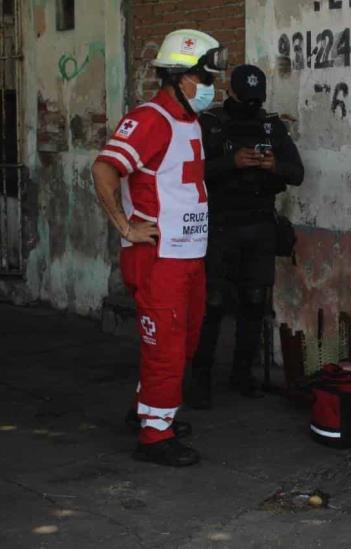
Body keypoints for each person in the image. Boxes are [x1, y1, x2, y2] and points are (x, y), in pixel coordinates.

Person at [93, 29, 227, 466]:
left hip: (188, 257)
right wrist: (126, 227)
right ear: (179, 77)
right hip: (159, 259)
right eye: (204, 79)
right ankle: (155, 436)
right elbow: (104, 170)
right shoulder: (151, 118)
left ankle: (149, 410)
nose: (210, 88)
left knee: (181, 343)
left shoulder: (188, 120)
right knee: (165, 347)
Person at [188, 64, 304, 407]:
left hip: (259, 226)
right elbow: (192, 171)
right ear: (231, 93)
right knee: (213, 304)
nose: (252, 105)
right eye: (247, 97)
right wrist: (231, 162)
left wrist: (273, 167)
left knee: (254, 302)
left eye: (258, 99)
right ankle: (201, 376)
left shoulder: (272, 127)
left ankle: (242, 374)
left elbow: (296, 173)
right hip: (220, 227)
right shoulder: (210, 125)